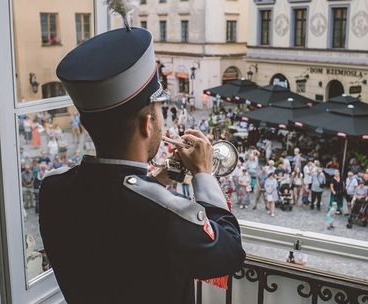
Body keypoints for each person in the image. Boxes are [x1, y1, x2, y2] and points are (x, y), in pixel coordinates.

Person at [39, 27, 245, 304]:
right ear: (148, 124)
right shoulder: (167, 214)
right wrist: (204, 174)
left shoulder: (53, 187)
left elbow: (111, 213)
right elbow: (229, 252)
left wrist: (154, 183)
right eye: (159, 111)